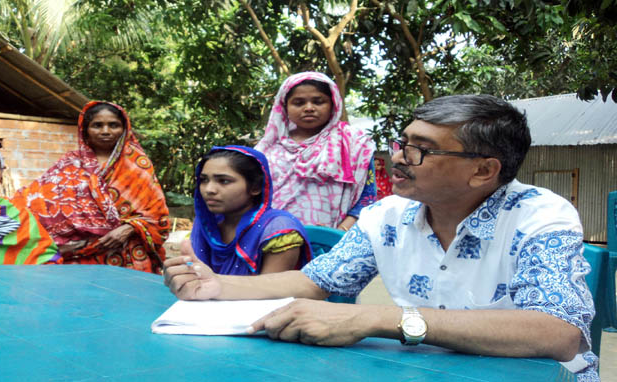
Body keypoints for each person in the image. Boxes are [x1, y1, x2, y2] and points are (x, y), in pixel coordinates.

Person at [165, 95, 598, 381]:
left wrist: (379, 319)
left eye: (420, 150)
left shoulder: (540, 216)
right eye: (401, 142)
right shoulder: (388, 215)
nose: (398, 158)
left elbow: (557, 332)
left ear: (483, 170)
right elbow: (314, 281)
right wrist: (220, 286)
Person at [12, 101, 170, 273]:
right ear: (85, 130)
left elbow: (157, 216)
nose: (105, 131)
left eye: (113, 125)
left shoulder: (138, 165)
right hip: (79, 257)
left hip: (127, 255)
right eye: (97, 125)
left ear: (124, 129)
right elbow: (37, 200)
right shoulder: (69, 163)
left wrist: (128, 228)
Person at [255, 72, 377, 230]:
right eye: (298, 103)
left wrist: (338, 233)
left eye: (318, 102)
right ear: (284, 107)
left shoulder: (354, 143)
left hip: (335, 242)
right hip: (273, 240)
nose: (309, 108)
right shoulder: (267, 149)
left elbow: (367, 198)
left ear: (333, 104)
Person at [191, 145, 312, 275]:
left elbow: (270, 290)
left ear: (255, 187)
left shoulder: (279, 231)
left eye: (224, 181)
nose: (209, 189)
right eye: (204, 180)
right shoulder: (209, 225)